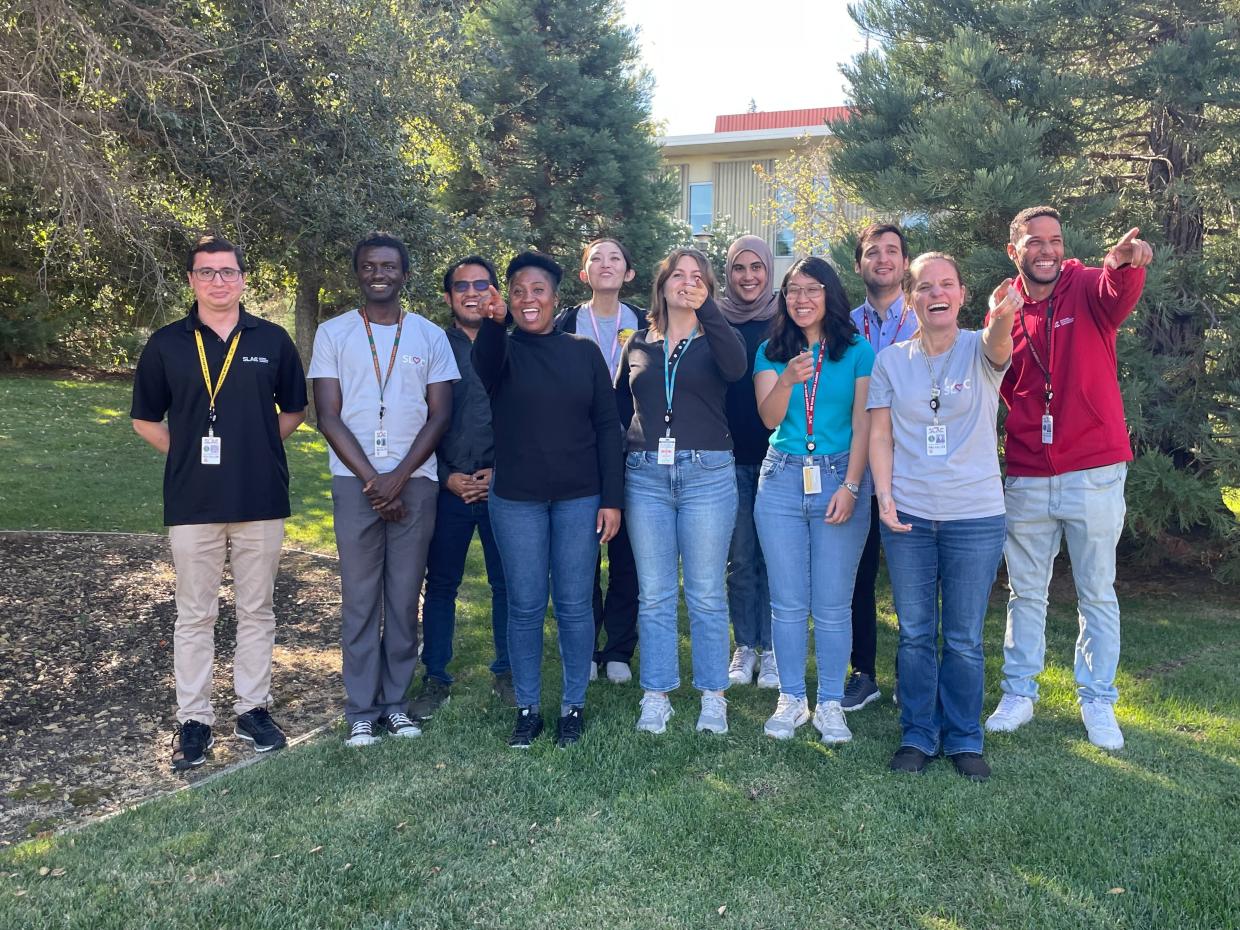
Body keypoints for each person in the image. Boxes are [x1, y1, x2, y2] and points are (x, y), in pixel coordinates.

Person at [131, 235, 307, 771]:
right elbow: (144, 419)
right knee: (194, 615)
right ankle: (195, 720)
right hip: (193, 501)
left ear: (243, 279)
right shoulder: (167, 344)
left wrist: (254, 448)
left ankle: (253, 709)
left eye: (227, 272)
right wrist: (188, 453)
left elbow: (295, 410)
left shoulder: (271, 340)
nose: (218, 281)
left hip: (260, 499)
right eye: (206, 273)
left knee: (257, 611)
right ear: (191, 280)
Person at [984, 208, 1152, 751]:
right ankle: (1019, 693)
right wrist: (998, 320)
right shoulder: (1004, 306)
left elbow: (1116, 291)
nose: (1048, 251)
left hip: (1094, 469)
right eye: (1036, 242)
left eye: (1055, 241)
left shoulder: (1084, 285)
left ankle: (1098, 699)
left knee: (1096, 592)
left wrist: (1124, 265)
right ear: (1016, 251)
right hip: (1030, 470)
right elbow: (992, 368)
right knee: (1024, 593)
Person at [868, 252, 1016, 781]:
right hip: (909, 515)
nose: (937, 294)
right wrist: (884, 497)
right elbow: (880, 435)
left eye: (947, 285)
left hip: (974, 515)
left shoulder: (980, 347)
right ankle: (917, 734)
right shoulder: (891, 362)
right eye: (926, 286)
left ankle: (963, 738)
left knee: (963, 637)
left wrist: (1005, 315)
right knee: (914, 633)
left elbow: (1002, 342)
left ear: (961, 294)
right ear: (911, 298)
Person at [309, 233, 459, 747]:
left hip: (415, 484)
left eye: (390, 266)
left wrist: (397, 479)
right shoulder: (333, 334)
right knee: (359, 599)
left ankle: (395, 704)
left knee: (402, 599)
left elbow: (440, 415)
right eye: (370, 265)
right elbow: (327, 414)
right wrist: (375, 482)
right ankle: (360, 710)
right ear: (358, 273)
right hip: (355, 484)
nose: (380, 273)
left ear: (404, 274)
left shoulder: (428, 337)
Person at [473, 251, 623, 749]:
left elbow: (606, 426)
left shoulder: (582, 352)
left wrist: (612, 499)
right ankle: (528, 708)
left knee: (577, 605)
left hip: (580, 498)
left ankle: (573, 705)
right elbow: (484, 365)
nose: (527, 299)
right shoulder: (502, 350)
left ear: (556, 298)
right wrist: (494, 324)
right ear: (508, 301)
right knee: (526, 605)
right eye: (517, 291)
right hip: (517, 500)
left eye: (538, 290)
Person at [615, 248, 747, 735]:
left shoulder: (718, 336)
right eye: (678, 275)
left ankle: (714, 695)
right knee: (654, 594)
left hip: (707, 474)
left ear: (708, 288)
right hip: (646, 474)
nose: (686, 283)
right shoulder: (639, 343)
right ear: (662, 283)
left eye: (698, 278)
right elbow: (621, 408)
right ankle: (657, 693)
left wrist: (708, 309)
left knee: (707, 593)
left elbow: (736, 370)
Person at [753, 257, 874, 744]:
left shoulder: (858, 351)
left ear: (830, 295)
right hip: (781, 478)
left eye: (812, 290)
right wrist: (786, 380)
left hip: (838, 478)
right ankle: (791, 699)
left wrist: (850, 485)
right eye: (793, 291)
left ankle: (828, 704)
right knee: (786, 603)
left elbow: (865, 424)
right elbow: (767, 419)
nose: (802, 299)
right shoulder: (770, 350)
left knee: (831, 603)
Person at [412, 256, 514, 720]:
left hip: (506, 486)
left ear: (496, 292)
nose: (472, 293)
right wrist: (446, 474)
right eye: (461, 286)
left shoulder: (515, 344)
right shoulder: (431, 346)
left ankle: (509, 671)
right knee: (441, 585)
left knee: (507, 585)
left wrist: (502, 470)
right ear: (449, 296)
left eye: (482, 284)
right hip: (446, 484)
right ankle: (435, 676)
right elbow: (416, 416)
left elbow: (531, 418)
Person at [554, 238, 645, 685]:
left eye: (615, 258)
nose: (606, 265)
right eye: (596, 259)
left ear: (629, 273)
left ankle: (619, 649)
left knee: (628, 554)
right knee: (581, 554)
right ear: (583, 273)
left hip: (633, 451)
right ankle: (586, 647)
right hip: (578, 452)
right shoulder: (565, 323)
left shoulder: (648, 325)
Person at [845, 224, 916, 712]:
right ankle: (863, 672)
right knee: (858, 577)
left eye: (893, 251)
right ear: (859, 265)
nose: (883, 259)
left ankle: (914, 677)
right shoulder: (843, 326)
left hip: (915, 470)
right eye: (874, 252)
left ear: (905, 263)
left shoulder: (928, 318)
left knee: (916, 578)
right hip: (861, 473)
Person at [717, 235, 780, 689]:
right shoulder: (714, 319)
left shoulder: (786, 320)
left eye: (757, 267)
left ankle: (776, 649)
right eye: (739, 267)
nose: (749, 276)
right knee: (740, 558)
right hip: (729, 457)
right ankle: (746, 646)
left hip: (782, 457)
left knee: (777, 558)